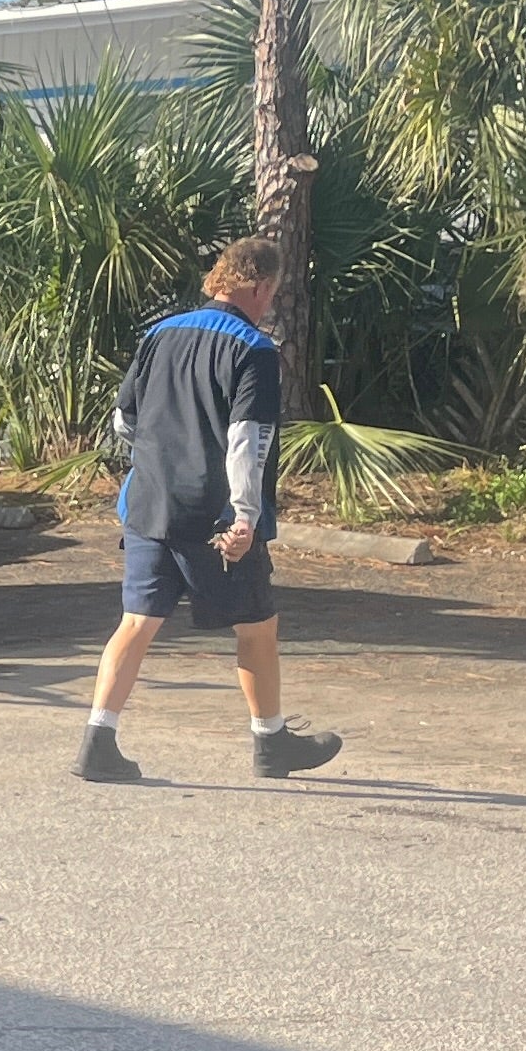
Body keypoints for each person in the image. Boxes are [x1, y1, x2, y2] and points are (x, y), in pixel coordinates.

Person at [79, 236, 344, 783]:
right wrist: (244, 516)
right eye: (270, 291)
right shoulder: (255, 350)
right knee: (257, 627)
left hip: (149, 505)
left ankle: (97, 742)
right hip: (215, 519)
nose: (270, 301)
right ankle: (271, 743)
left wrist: (161, 462)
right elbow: (249, 438)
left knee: (135, 622)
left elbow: (124, 419)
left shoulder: (159, 334)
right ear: (258, 286)